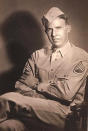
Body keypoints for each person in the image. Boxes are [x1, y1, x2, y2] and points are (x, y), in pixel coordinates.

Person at [0, 7, 88, 131]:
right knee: (6, 126)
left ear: (68, 28)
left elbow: (66, 93)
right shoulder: (37, 56)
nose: (53, 34)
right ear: (45, 31)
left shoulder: (80, 56)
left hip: (64, 116)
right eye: (49, 29)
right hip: (32, 110)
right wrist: (43, 97)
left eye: (58, 28)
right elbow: (20, 87)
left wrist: (36, 85)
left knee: (7, 99)